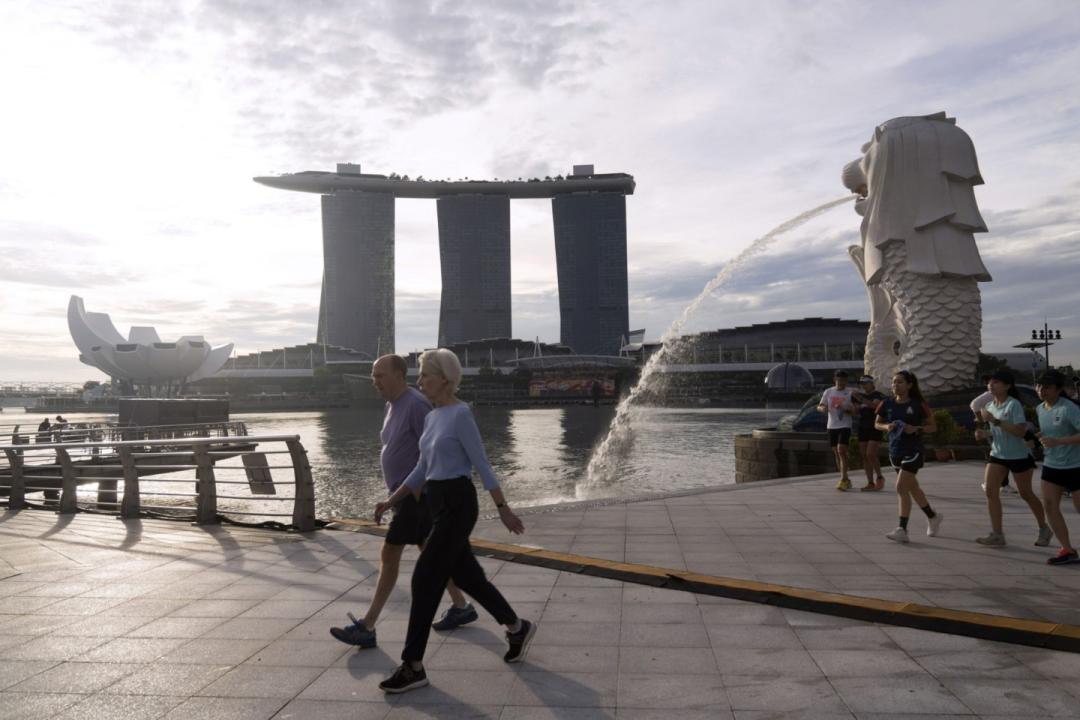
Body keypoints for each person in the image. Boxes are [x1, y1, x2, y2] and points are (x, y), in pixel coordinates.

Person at [373, 348, 536, 694]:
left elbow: (483, 465)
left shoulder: (461, 414)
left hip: (460, 503)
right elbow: (420, 470)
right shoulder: (432, 417)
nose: (421, 382)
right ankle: (516, 626)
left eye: (426, 376)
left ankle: (413, 665)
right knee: (468, 577)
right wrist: (391, 500)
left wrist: (503, 508)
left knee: (424, 577)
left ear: (445, 378)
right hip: (436, 502)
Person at [329, 355, 474, 649]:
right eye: (373, 376)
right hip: (403, 495)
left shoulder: (416, 404)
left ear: (398, 375)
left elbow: (432, 451)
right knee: (430, 552)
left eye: (380, 375)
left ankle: (367, 626)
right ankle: (461, 606)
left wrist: (421, 494)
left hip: (416, 496)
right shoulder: (392, 405)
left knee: (389, 554)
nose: (375, 381)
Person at [973, 369, 1051, 547]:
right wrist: (983, 433)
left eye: (996, 382)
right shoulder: (990, 406)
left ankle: (1044, 528)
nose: (991, 385)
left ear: (1007, 386)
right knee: (990, 492)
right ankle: (997, 534)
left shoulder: (1013, 405)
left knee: (1026, 493)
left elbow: (1019, 431)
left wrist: (995, 421)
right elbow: (996, 432)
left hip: (1018, 455)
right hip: (997, 454)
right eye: (989, 382)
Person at [876, 370, 942, 543]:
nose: (895, 385)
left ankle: (902, 529)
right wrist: (887, 427)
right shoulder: (886, 403)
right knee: (912, 488)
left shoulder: (918, 404)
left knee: (900, 488)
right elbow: (877, 423)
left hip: (913, 451)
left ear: (909, 385)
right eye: (893, 382)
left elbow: (933, 427)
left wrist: (916, 428)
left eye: (899, 382)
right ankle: (932, 516)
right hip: (895, 451)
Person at [1034, 370, 1080, 565]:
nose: (1042, 390)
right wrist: (1036, 439)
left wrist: (1059, 441)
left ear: (1059, 389)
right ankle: (1067, 550)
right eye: (1039, 386)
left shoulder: (1069, 408)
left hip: (1076, 466)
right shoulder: (1040, 409)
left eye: (1047, 387)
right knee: (1050, 507)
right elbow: (1047, 434)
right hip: (1052, 465)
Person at [817, 370, 858, 490]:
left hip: (845, 425)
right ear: (834, 380)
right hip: (832, 425)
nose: (841, 382)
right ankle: (845, 478)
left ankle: (843, 479)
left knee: (841, 450)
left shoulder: (850, 393)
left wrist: (846, 410)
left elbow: (856, 411)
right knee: (836, 452)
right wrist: (822, 409)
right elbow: (820, 406)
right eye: (839, 380)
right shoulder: (828, 392)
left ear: (846, 381)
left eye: (843, 380)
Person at [853, 375, 887, 491]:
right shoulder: (859, 396)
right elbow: (856, 411)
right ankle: (870, 482)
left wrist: (860, 399)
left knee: (870, 454)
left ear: (872, 383)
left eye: (866, 383)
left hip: (875, 426)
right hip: (863, 427)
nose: (863, 386)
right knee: (864, 456)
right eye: (861, 383)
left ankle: (880, 477)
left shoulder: (878, 395)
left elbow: (875, 405)